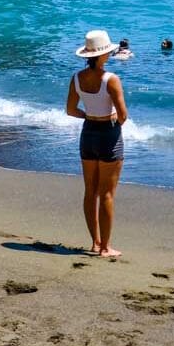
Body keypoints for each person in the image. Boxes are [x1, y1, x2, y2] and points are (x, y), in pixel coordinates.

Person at [66, 29, 128, 258]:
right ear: (104, 55)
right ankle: (105, 248)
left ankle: (95, 242)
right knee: (108, 194)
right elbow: (123, 115)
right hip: (108, 134)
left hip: (88, 133)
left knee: (90, 191)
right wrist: (111, 119)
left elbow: (71, 110)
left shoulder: (76, 78)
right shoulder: (111, 79)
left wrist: (89, 116)